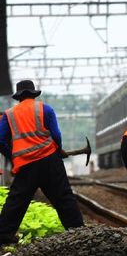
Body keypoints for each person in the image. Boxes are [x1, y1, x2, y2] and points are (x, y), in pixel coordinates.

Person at [0, 80, 84, 245]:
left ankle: (3, 235)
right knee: (63, 196)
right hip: (49, 159)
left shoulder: (9, 114)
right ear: (33, 93)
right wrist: (58, 150)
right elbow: (56, 134)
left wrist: (12, 157)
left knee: (16, 200)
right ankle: (79, 232)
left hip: (26, 165)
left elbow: (1, 140)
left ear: (18, 96)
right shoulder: (45, 108)